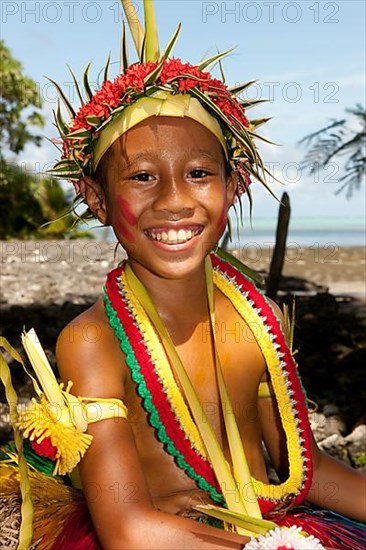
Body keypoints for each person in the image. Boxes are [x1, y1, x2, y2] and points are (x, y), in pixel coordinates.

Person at [1, 1, 365, 548]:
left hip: (269, 531)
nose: (175, 200)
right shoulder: (93, 341)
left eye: (198, 173)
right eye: (143, 177)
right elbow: (126, 530)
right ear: (97, 198)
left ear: (232, 187)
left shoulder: (255, 318)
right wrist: (272, 547)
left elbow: (303, 471)